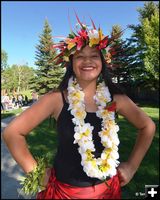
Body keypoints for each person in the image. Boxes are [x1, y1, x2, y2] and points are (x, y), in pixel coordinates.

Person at [2, 15, 155, 199]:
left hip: (108, 191)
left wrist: (131, 166)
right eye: (80, 56)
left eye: (93, 56)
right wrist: (35, 171)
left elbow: (148, 126)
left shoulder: (116, 100)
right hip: (65, 193)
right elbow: (12, 133)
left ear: (102, 62)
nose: (87, 61)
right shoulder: (57, 99)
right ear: (71, 63)